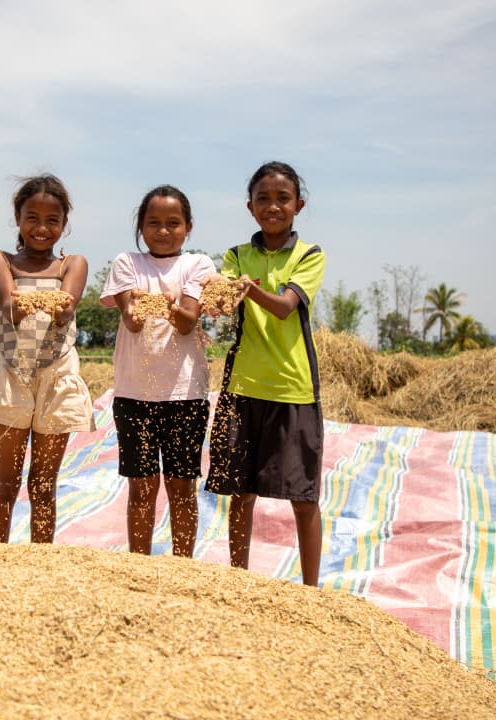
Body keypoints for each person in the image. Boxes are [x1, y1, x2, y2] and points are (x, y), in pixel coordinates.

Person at [204, 161, 326, 585]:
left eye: (282, 199)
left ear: (298, 205)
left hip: (293, 388)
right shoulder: (237, 255)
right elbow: (223, 302)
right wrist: (217, 297)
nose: (273, 206)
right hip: (242, 386)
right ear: (250, 207)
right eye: (263, 199)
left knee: (303, 497)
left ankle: (312, 590)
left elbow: (285, 307)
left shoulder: (309, 255)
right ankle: (240, 582)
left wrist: (247, 288)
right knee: (241, 493)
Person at [0, 174, 95, 544]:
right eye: (32, 218)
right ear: (18, 219)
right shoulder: (0, 259)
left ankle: (41, 561)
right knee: (6, 480)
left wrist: (60, 308)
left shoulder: (72, 264)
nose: (41, 228)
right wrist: (24, 305)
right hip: (12, 374)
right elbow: (7, 304)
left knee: (43, 482)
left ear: (64, 224)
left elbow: (67, 308)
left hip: (56, 376)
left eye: (52, 220)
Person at [100, 185, 216, 557]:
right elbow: (131, 321)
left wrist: (167, 306)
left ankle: (182, 567)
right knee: (142, 488)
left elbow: (186, 322)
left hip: (185, 395)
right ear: (140, 226)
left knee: (182, 488)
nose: (163, 231)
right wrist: (133, 309)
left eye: (173, 223)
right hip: (134, 394)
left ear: (188, 227)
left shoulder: (198, 265)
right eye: (153, 223)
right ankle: (141, 564)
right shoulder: (127, 263)